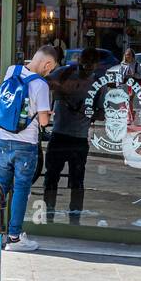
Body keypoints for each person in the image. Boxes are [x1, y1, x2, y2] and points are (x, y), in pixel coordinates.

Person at [0, 45, 59, 251]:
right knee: (21, 189)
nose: (49, 72)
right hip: (26, 145)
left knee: (1, 188)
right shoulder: (41, 84)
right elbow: (43, 122)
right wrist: (50, 114)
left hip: (4, 139)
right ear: (47, 63)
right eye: (50, 69)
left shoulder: (11, 71)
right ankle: (14, 237)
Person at [43, 47, 100, 224]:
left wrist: (88, 111)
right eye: (83, 65)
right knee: (52, 177)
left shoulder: (97, 83)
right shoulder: (65, 72)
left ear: (95, 66)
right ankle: (48, 216)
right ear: (79, 62)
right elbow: (44, 82)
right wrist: (62, 92)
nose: (86, 69)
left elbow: (102, 112)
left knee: (77, 181)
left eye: (89, 67)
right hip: (60, 133)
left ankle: (74, 219)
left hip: (79, 137)